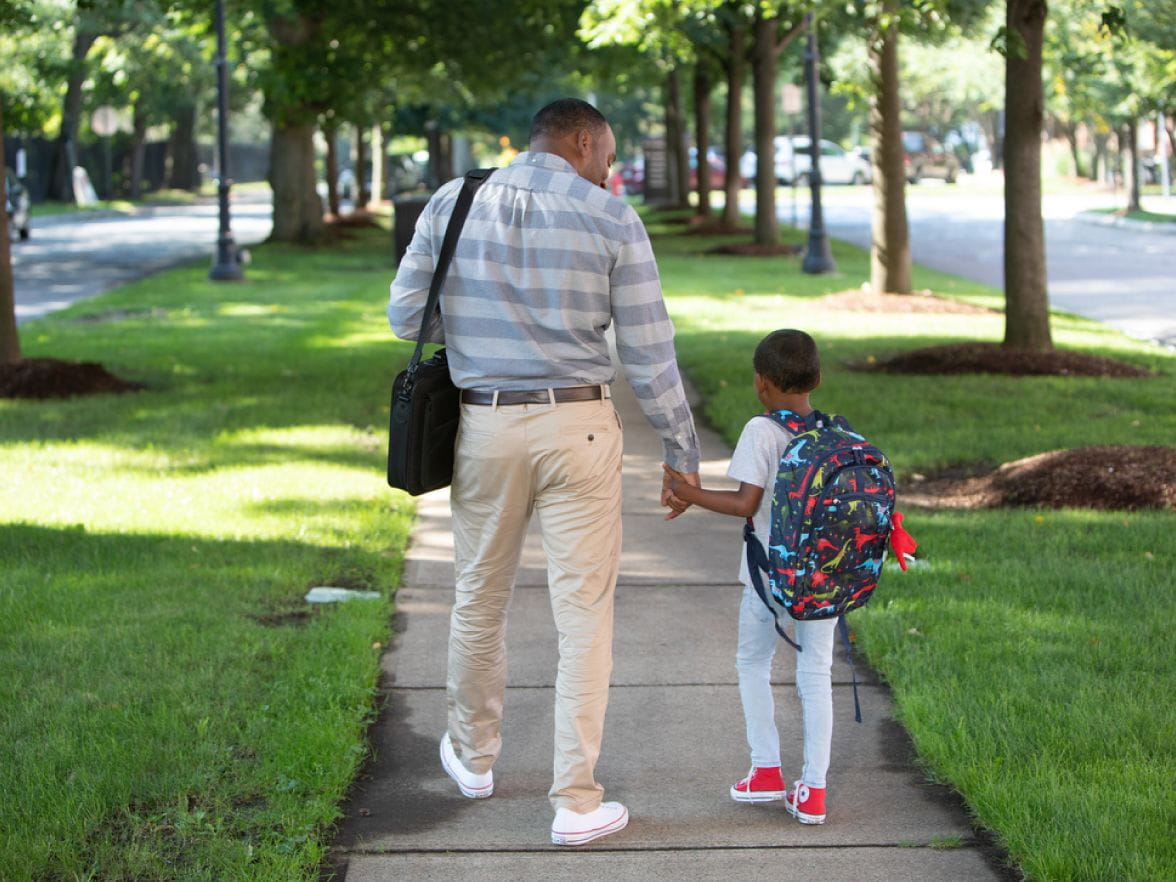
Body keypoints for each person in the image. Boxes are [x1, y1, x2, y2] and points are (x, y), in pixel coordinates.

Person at [386, 98, 701, 846]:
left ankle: (472, 758)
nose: (610, 171)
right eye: (609, 157)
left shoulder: (453, 200)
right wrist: (681, 451)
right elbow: (650, 353)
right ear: (583, 141)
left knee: (477, 597)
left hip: (486, 423)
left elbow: (406, 319)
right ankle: (576, 800)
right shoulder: (612, 218)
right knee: (584, 614)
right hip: (580, 425)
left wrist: (476, 314)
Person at [662, 329, 836, 825]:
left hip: (770, 577)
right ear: (817, 379)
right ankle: (815, 792)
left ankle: (766, 771)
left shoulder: (762, 431)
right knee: (815, 675)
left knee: (753, 663)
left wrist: (686, 492)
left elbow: (745, 504)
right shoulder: (827, 431)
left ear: (761, 383)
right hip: (823, 578)